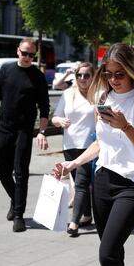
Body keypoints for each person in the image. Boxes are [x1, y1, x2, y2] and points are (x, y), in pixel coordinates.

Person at [53, 43, 134, 266]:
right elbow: (100, 143)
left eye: (119, 74)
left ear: (131, 70)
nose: (113, 79)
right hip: (103, 181)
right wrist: (73, 163)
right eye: (108, 74)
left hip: (132, 185)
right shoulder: (103, 99)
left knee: (107, 253)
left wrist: (126, 127)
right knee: (113, 252)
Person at [0, 38, 50, 232]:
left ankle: (19, 215)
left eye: (31, 55)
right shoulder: (6, 70)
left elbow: (44, 107)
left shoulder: (37, 76)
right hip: (4, 129)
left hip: (24, 131)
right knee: (3, 172)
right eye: (25, 53)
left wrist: (42, 131)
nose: (28, 57)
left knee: (21, 173)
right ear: (17, 51)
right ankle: (15, 198)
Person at [52, 62, 96, 237]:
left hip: (89, 146)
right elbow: (55, 117)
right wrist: (60, 121)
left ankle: (74, 223)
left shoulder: (98, 94)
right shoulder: (68, 93)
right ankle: (86, 214)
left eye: (87, 75)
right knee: (79, 181)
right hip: (70, 145)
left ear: (93, 77)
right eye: (80, 75)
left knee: (81, 184)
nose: (83, 79)